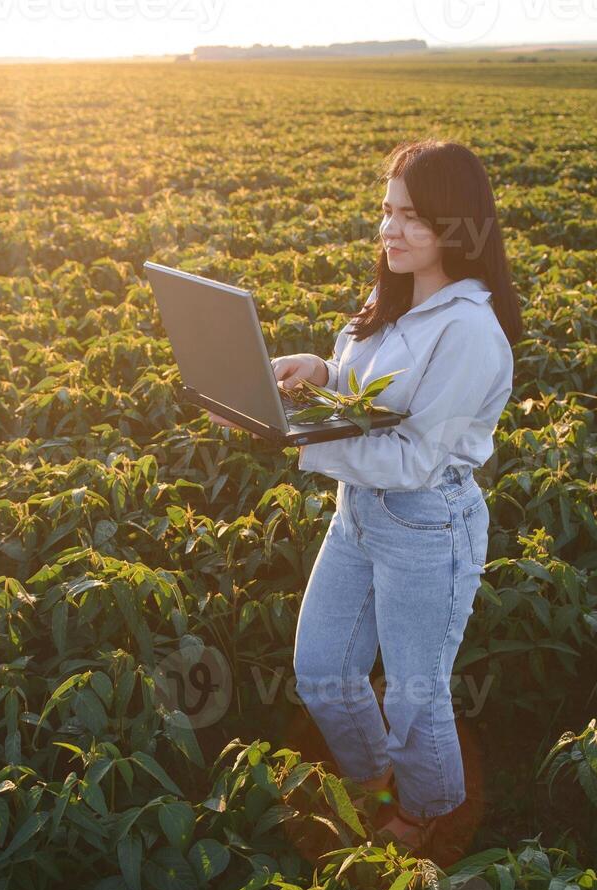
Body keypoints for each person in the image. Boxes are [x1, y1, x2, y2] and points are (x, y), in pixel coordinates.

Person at [208, 138, 524, 853]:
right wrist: (316, 370)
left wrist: (287, 434)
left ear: (456, 224)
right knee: (322, 671)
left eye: (412, 216)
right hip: (358, 512)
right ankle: (375, 782)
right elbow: (367, 399)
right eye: (385, 212)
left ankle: (429, 811)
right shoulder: (393, 301)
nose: (390, 230)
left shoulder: (470, 331)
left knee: (414, 696)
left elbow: (413, 458)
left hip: (425, 525)